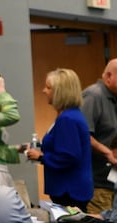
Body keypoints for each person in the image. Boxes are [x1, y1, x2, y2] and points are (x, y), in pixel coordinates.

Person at [26, 67, 93, 209]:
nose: (44, 91)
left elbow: (68, 156)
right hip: (71, 187)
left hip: (69, 190)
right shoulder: (70, 116)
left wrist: (41, 157)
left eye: (48, 87)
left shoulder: (67, 119)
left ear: (60, 92)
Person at [81, 58, 117, 213]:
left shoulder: (115, 100)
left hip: (114, 183)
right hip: (98, 185)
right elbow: (83, 135)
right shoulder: (93, 96)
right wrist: (108, 153)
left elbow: (112, 135)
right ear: (108, 77)